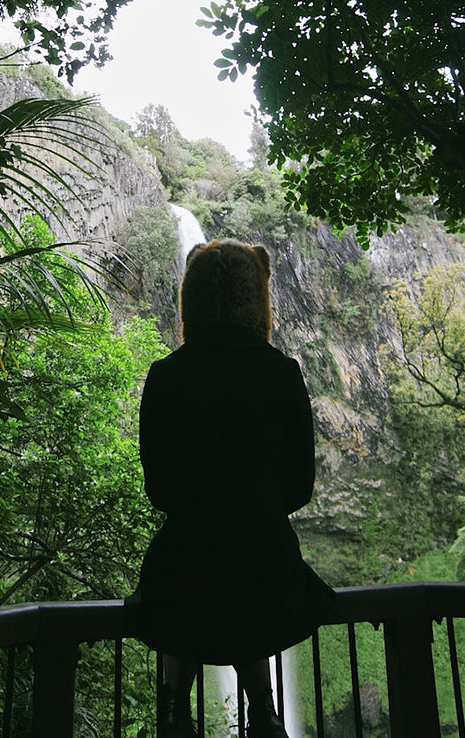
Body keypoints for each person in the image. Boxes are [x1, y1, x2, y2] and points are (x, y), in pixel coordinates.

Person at [128, 240, 335, 738]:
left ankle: (175, 711)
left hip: (184, 574)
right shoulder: (282, 374)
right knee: (248, 577)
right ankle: (264, 712)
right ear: (258, 293)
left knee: (194, 576)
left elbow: (160, 490)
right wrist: (253, 509)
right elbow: (300, 486)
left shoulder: (166, 377)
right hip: (265, 572)